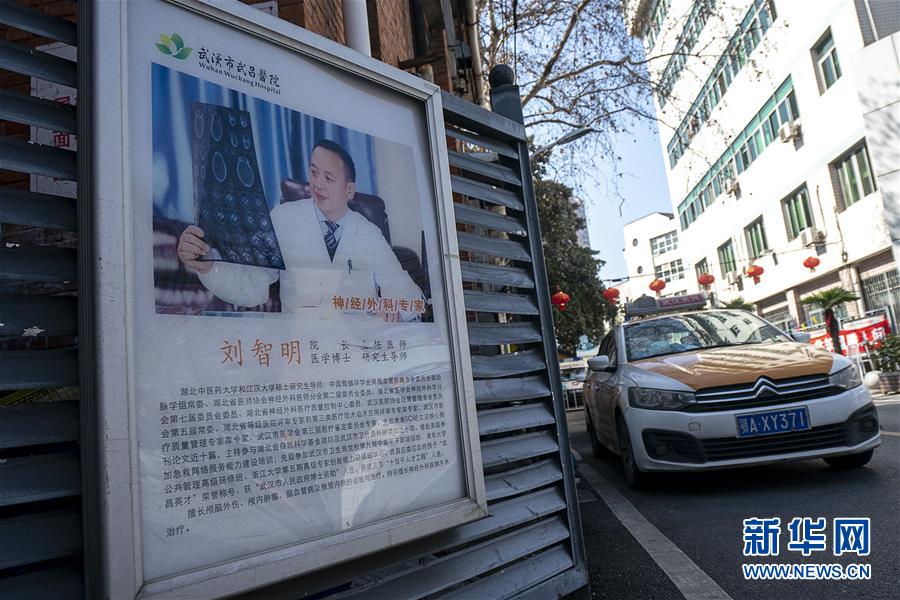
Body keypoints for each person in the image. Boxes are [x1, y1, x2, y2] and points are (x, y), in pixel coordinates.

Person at [177, 139, 423, 321]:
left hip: (359, 350)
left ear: (349, 190)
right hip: (301, 351)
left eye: (328, 178)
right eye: (314, 172)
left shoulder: (369, 233)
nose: (317, 184)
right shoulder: (283, 218)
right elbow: (252, 286)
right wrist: (209, 265)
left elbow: (411, 297)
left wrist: (395, 310)